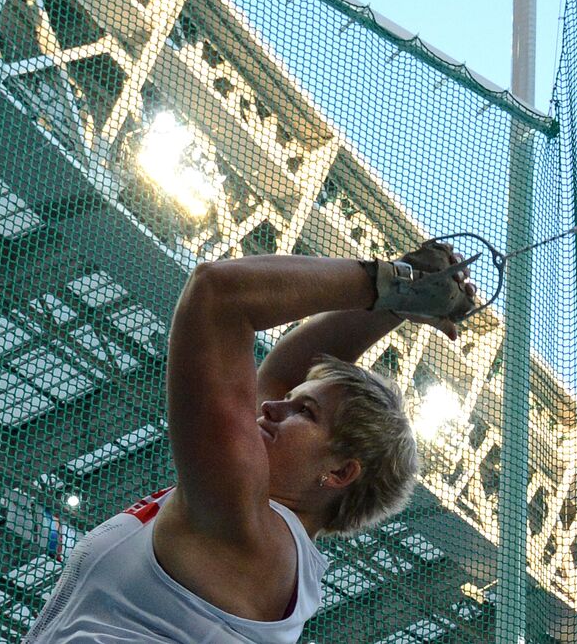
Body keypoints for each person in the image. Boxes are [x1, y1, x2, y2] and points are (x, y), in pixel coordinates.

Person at [25, 242, 477, 642]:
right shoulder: (264, 530)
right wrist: (395, 301)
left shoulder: (247, 526)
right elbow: (282, 374)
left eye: (305, 411)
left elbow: (218, 294)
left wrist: (393, 283)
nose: (273, 407)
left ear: (339, 472)